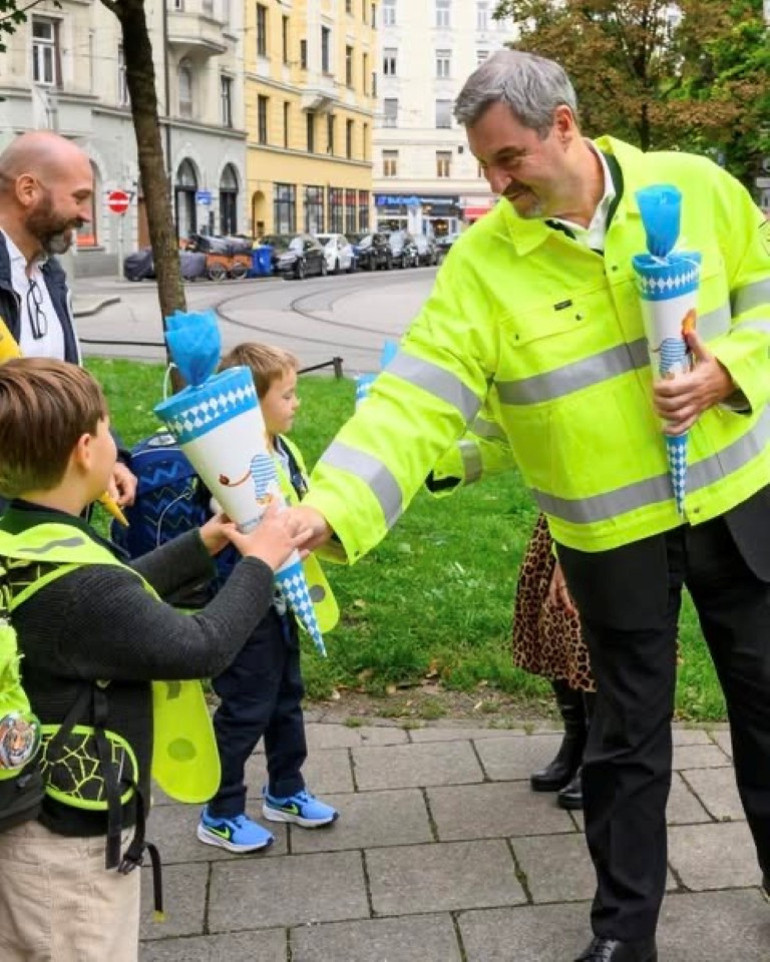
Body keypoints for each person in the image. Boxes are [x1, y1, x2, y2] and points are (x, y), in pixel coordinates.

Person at [289, 49, 770, 962]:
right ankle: (623, 936)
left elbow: (767, 298)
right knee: (624, 744)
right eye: (483, 165)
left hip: (740, 503)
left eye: (508, 159)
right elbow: (417, 398)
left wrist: (730, 371)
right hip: (610, 535)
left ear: (565, 126)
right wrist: (329, 507)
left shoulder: (697, 187)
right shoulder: (482, 263)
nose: (496, 184)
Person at [0, 357, 312, 962]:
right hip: (68, 856)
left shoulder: (24, 538)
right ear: (85, 451)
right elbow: (201, 645)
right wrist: (260, 561)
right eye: (108, 429)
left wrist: (204, 542)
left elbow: (112, 600)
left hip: (28, 816)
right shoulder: (86, 589)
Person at [196, 342, 339, 854]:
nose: (297, 403)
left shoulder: (283, 451)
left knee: (285, 698)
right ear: (248, 406)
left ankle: (285, 789)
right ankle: (220, 811)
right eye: (287, 395)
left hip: (283, 601)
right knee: (245, 707)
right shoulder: (229, 465)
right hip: (244, 606)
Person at [0, 130, 136, 507]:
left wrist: (110, 455)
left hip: (52, 506)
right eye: (78, 197)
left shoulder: (51, 274)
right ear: (28, 190)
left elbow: (68, 383)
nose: (86, 215)